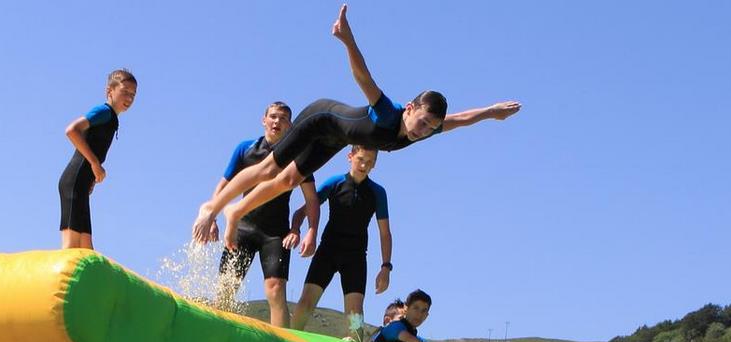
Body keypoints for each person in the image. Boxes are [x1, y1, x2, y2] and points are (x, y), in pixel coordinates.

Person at [191, 5, 519, 247]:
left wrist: (491, 112)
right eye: (421, 122)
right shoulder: (389, 113)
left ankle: (236, 213)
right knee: (268, 170)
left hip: (335, 139)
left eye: (430, 127)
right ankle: (213, 206)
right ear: (410, 108)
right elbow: (363, 76)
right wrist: (347, 40)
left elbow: (460, 119)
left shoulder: (427, 130)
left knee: (289, 180)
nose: (423, 130)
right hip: (319, 118)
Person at [215, 101, 320, 327]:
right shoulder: (246, 149)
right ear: (264, 120)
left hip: (275, 234)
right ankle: (215, 329)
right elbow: (224, 184)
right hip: (242, 228)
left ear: (290, 126)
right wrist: (212, 215)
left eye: (283, 118)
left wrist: (311, 231)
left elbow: (312, 199)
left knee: (275, 289)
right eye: (273, 116)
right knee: (227, 285)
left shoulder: (298, 157)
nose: (277, 122)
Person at [286, 146, 390, 339]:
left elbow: (385, 233)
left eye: (369, 162)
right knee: (306, 300)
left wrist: (385, 266)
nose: (364, 165)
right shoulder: (335, 183)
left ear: (375, 164)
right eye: (360, 159)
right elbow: (304, 210)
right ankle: (289, 338)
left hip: (356, 256)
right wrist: (296, 229)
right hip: (328, 250)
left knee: (355, 312)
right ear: (350, 157)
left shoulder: (377, 193)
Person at [59, 68, 138, 250]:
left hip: (81, 183)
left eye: (133, 94)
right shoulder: (104, 111)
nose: (129, 98)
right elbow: (72, 130)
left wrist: (91, 178)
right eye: (125, 92)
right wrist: (95, 164)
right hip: (73, 182)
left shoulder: (111, 119)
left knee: (87, 249)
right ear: (109, 91)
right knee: (71, 246)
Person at [370, 289, 482, 342]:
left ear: (427, 316)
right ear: (406, 309)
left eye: (424, 311)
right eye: (416, 308)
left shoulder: (415, 337)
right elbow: (411, 341)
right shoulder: (395, 327)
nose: (419, 314)